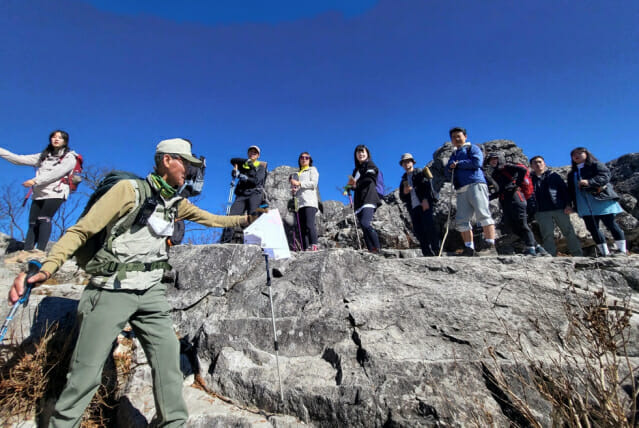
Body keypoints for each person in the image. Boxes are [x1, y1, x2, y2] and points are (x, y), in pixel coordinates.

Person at [8, 138, 250, 427]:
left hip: (151, 292)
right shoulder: (128, 190)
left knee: (168, 359)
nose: (190, 170)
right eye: (186, 162)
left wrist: (248, 219)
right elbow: (81, 230)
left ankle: (173, 423)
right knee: (85, 374)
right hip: (111, 289)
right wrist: (48, 267)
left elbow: (211, 219)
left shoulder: (175, 202)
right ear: (167, 160)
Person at [0, 130, 78, 254]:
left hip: (56, 192)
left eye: (60, 137)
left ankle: (40, 251)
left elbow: (56, 173)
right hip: (39, 193)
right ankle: (27, 250)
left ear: (65, 141)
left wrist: (35, 181)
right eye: (54, 137)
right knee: (32, 222)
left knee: (44, 218)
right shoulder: (44, 156)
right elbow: (19, 159)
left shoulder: (70, 157)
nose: (56, 139)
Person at [445, 127, 496, 256]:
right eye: (453, 137)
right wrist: (450, 168)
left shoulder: (472, 148)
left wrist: (458, 164)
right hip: (461, 188)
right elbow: (447, 171)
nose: (456, 139)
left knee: (483, 212)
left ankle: (490, 243)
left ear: (465, 136)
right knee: (462, 219)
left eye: (458, 136)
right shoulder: (454, 154)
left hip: (476, 183)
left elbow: (477, 162)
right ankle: (469, 248)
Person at [566, 147, 626, 256]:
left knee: (611, 224)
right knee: (592, 228)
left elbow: (605, 176)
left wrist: (589, 182)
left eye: (580, 152)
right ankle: (604, 253)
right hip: (583, 203)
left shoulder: (596, 165)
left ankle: (622, 250)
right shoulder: (571, 174)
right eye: (574, 154)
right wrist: (570, 205)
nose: (576, 155)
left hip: (600, 200)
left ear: (586, 154)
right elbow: (571, 190)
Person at [486, 153, 549, 256]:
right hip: (505, 200)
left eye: (495, 159)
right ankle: (537, 247)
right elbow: (501, 190)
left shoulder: (506, 166)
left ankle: (530, 248)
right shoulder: (495, 173)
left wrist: (516, 184)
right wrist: (488, 198)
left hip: (516, 197)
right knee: (512, 225)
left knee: (521, 223)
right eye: (491, 160)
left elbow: (523, 170)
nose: (493, 161)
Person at [529, 156, 583, 256]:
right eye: (535, 163)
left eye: (540, 162)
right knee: (547, 235)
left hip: (559, 208)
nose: (538, 164)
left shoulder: (553, 175)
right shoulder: (530, 179)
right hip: (541, 211)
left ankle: (578, 254)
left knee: (569, 232)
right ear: (531, 166)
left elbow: (564, 190)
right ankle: (550, 255)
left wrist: (568, 205)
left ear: (544, 163)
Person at [220, 145, 267, 243]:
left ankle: (254, 243)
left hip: (255, 193)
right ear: (248, 153)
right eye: (251, 152)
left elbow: (256, 181)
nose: (252, 154)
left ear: (258, 155)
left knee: (252, 216)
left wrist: (243, 176)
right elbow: (233, 160)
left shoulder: (261, 167)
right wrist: (244, 164)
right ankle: (225, 241)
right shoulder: (244, 165)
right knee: (231, 216)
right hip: (242, 194)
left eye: (255, 153)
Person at [398, 153, 439, 256]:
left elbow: (427, 185)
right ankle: (427, 252)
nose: (406, 164)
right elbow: (401, 196)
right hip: (413, 207)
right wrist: (405, 192)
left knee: (429, 226)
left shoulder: (420, 172)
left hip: (423, 203)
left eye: (408, 161)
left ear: (412, 162)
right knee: (419, 230)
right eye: (404, 162)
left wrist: (425, 199)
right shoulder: (403, 179)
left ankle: (437, 250)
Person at [347, 145, 381, 253]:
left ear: (367, 154)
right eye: (358, 152)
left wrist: (356, 185)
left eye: (363, 152)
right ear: (355, 156)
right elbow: (353, 184)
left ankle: (377, 248)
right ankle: (371, 250)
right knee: (363, 226)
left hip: (369, 197)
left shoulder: (370, 164)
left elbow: (370, 179)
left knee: (365, 223)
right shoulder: (355, 171)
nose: (360, 154)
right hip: (359, 201)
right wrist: (348, 187)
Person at [289, 152, 320, 251]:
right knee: (302, 228)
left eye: (307, 157)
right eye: (302, 157)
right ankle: (305, 248)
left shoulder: (312, 169)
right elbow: (296, 188)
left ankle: (314, 245)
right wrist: (294, 191)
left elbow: (314, 183)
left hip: (309, 201)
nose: (304, 159)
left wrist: (299, 183)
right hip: (299, 203)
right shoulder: (297, 174)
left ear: (310, 160)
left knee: (309, 224)